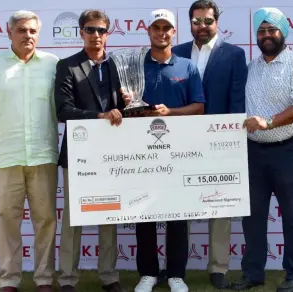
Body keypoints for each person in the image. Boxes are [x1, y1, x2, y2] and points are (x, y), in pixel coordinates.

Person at [0, 10, 59, 292]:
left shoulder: (53, 65)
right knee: (7, 221)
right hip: (6, 156)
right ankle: (9, 280)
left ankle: (43, 279)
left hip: (43, 155)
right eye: (21, 30)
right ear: (9, 33)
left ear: (38, 34)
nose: (27, 35)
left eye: (32, 31)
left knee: (45, 221)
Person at [231, 7, 293, 292]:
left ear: (283, 33)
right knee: (252, 218)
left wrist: (268, 122)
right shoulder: (252, 67)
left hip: (291, 150)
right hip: (254, 152)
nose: (266, 35)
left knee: (292, 216)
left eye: (271, 30)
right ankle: (253, 274)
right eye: (261, 31)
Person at [169, 0, 248, 289]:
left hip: (220, 142)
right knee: (180, 206)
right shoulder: (175, 52)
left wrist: (231, 141)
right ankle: (177, 268)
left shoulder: (235, 55)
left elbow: (238, 101)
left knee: (220, 204)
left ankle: (218, 267)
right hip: (180, 142)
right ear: (190, 22)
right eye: (197, 21)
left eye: (208, 21)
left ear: (217, 21)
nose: (202, 26)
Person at [126, 9, 205, 292]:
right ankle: (147, 273)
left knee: (176, 214)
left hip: (178, 152)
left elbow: (199, 107)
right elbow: (121, 109)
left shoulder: (187, 67)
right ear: (148, 31)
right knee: (144, 213)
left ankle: (175, 275)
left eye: (167, 28)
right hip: (140, 152)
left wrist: (170, 112)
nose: (161, 32)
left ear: (174, 32)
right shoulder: (133, 67)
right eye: (156, 27)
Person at [54, 9, 126, 292]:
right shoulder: (67, 66)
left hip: (112, 154)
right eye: (90, 29)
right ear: (81, 32)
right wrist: (98, 117)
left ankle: (109, 276)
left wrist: (129, 101)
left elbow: (126, 110)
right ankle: (68, 279)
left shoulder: (118, 67)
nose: (96, 35)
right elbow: (63, 111)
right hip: (78, 154)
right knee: (73, 218)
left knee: (108, 215)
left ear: (107, 34)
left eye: (101, 30)